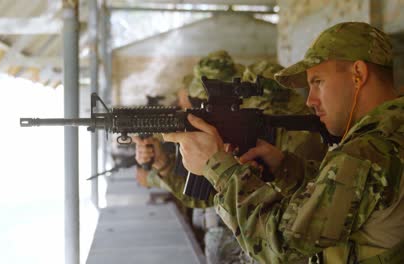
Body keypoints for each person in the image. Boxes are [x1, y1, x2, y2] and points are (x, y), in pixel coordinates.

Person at [163, 22, 404, 263]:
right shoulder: (391, 132)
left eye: (317, 82)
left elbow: (281, 244)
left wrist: (217, 167)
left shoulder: (366, 152)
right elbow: (353, 198)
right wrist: (285, 170)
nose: (310, 100)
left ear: (358, 74)